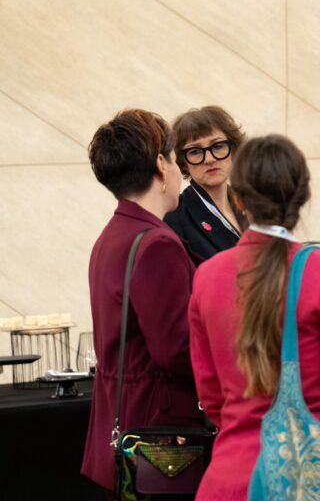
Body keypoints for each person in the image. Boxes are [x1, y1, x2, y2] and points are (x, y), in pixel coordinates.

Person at [188, 134, 320, 500]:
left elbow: (210, 395)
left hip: (228, 479)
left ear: (238, 199)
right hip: (306, 477)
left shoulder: (207, 276)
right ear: (305, 194)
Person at [82, 109, 203, 495]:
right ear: (161, 164)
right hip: (160, 438)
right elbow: (176, 350)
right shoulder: (157, 243)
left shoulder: (113, 234)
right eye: (176, 159)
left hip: (124, 425)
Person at [164, 105, 249, 264]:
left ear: (233, 150)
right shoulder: (174, 219)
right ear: (183, 162)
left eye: (218, 146)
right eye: (195, 151)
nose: (209, 159)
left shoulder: (253, 207)